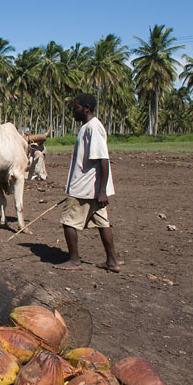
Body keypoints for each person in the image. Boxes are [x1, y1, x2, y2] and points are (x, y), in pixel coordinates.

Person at [55, 93, 120, 272]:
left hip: (85, 188)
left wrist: (102, 191)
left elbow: (103, 160)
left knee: (68, 221)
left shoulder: (93, 127)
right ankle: (112, 261)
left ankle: (74, 261)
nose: (72, 112)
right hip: (92, 188)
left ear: (86, 108)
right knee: (103, 223)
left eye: (75, 108)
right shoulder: (86, 128)